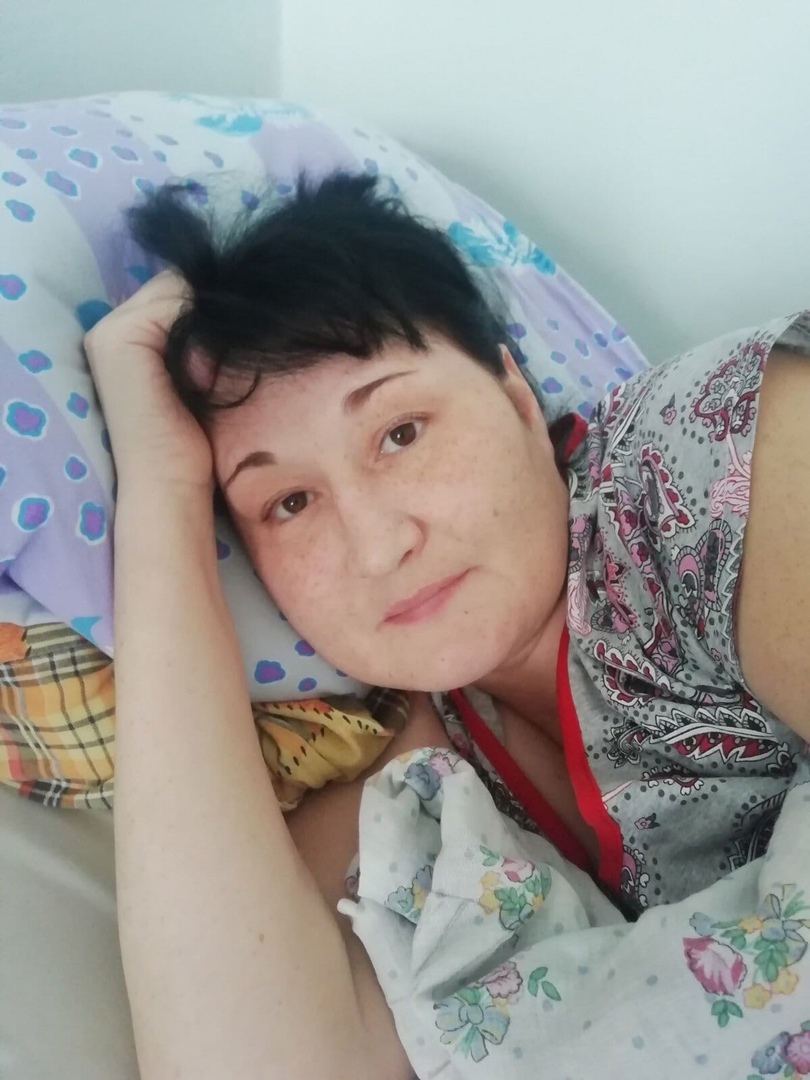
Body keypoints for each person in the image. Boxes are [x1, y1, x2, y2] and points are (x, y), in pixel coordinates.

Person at [85, 171, 810, 1078]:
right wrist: (162, 493)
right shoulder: (417, 783)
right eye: (289, 502)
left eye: (401, 432)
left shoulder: (712, 455)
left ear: (514, 394)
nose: (378, 545)